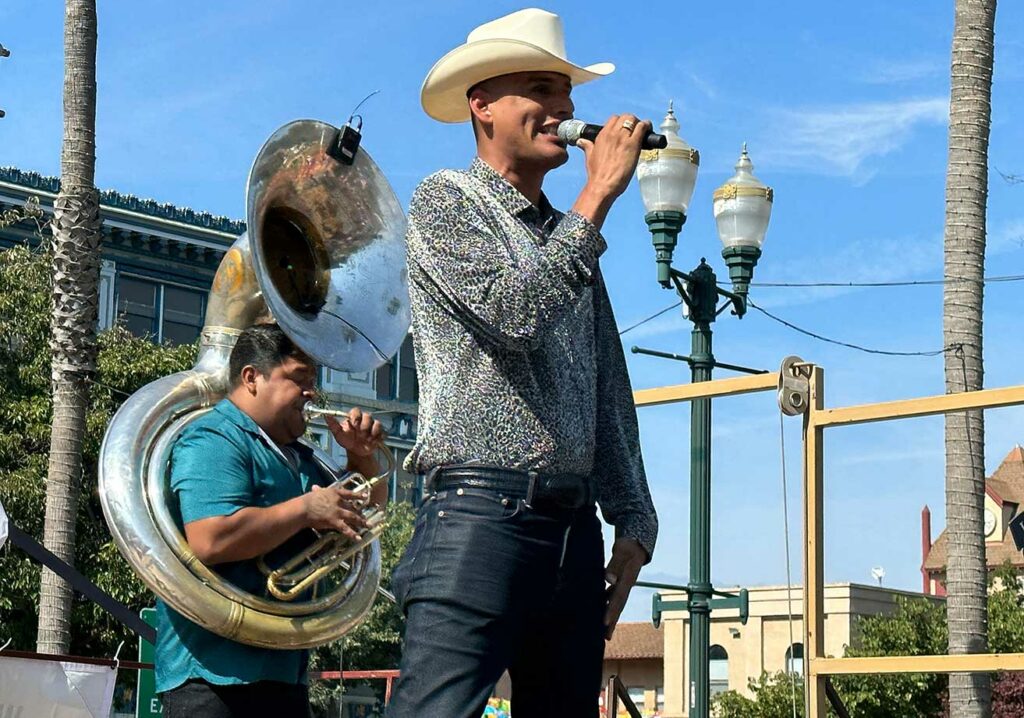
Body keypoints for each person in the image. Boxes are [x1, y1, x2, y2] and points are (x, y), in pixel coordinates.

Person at [389, 8, 658, 717]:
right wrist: (596, 196)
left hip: (573, 534)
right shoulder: (446, 200)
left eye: (567, 96)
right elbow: (515, 316)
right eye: (542, 89)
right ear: (482, 104)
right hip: (478, 516)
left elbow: (606, 385)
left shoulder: (566, 239)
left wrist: (634, 519)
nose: (565, 110)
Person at [155, 322, 386, 718]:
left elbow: (364, 515)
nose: (311, 393)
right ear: (252, 378)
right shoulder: (214, 436)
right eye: (299, 380)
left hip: (284, 671)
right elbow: (210, 539)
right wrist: (305, 511)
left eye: (314, 382)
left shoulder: (301, 457)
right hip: (212, 678)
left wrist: (361, 457)